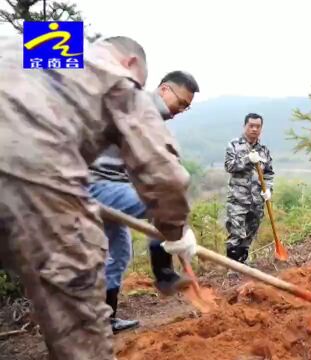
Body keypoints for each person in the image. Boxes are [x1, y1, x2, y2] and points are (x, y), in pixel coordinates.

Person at [0, 35, 197, 360]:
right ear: (132, 64)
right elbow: (166, 178)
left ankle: (109, 314)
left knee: (117, 248)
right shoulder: (119, 78)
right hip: (36, 174)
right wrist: (176, 233)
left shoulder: (52, 43)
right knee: (78, 315)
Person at [88, 70, 200, 333]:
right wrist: (177, 231)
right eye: (181, 102)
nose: (182, 109)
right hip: (95, 185)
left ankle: (107, 319)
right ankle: (164, 274)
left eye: (187, 107)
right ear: (164, 90)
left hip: (112, 186)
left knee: (119, 253)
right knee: (163, 203)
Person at [224, 113, 274, 264]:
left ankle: (243, 264)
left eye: (257, 126)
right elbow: (229, 166)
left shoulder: (264, 150)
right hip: (238, 200)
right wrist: (247, 159)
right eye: (251, 126)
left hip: (257, 201)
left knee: (249, 235)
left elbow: (269, 173)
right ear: (245, 126)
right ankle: (233, 269)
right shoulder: (234, 145)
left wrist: (268, 189)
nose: (254, 129)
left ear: (261, 128)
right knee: (236, 235)